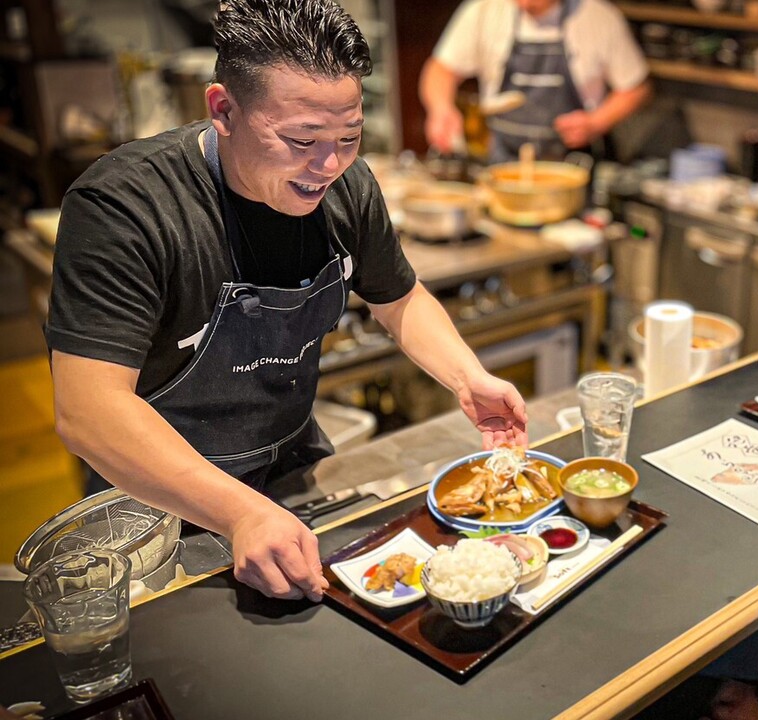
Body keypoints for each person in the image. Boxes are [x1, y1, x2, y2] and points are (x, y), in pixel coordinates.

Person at [45, 0, 528, 604]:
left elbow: (399, 298)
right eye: (301, 139)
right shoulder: (125, 207)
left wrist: (467, 376)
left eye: (348, 137)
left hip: (293, 475)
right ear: (224, 109)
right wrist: (241, 513)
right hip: (153, 506)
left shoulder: (348, 188)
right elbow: (87, 411)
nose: (327, 166)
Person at [420, 0, 651, 162]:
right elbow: (441, 69)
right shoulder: (483, 9)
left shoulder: (598, 17)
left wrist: (596, 122)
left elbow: (636, 87)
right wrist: (440, 109)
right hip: (500, 161)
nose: (524, 3)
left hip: (572, 166)